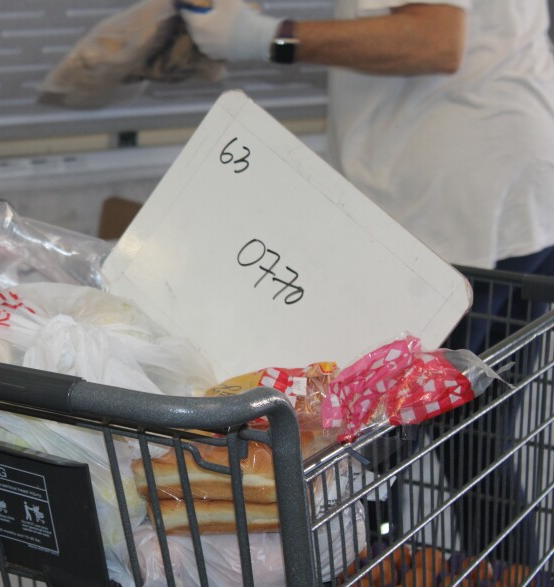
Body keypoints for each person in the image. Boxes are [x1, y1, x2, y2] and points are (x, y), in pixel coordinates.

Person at [180, 0, 554, 570]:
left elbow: (434, 40)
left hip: (448, 221)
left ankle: (386, 565)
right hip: (503, 199)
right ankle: (503, 572)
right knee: (475, 443)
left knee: (373, 447)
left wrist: (266, 38)